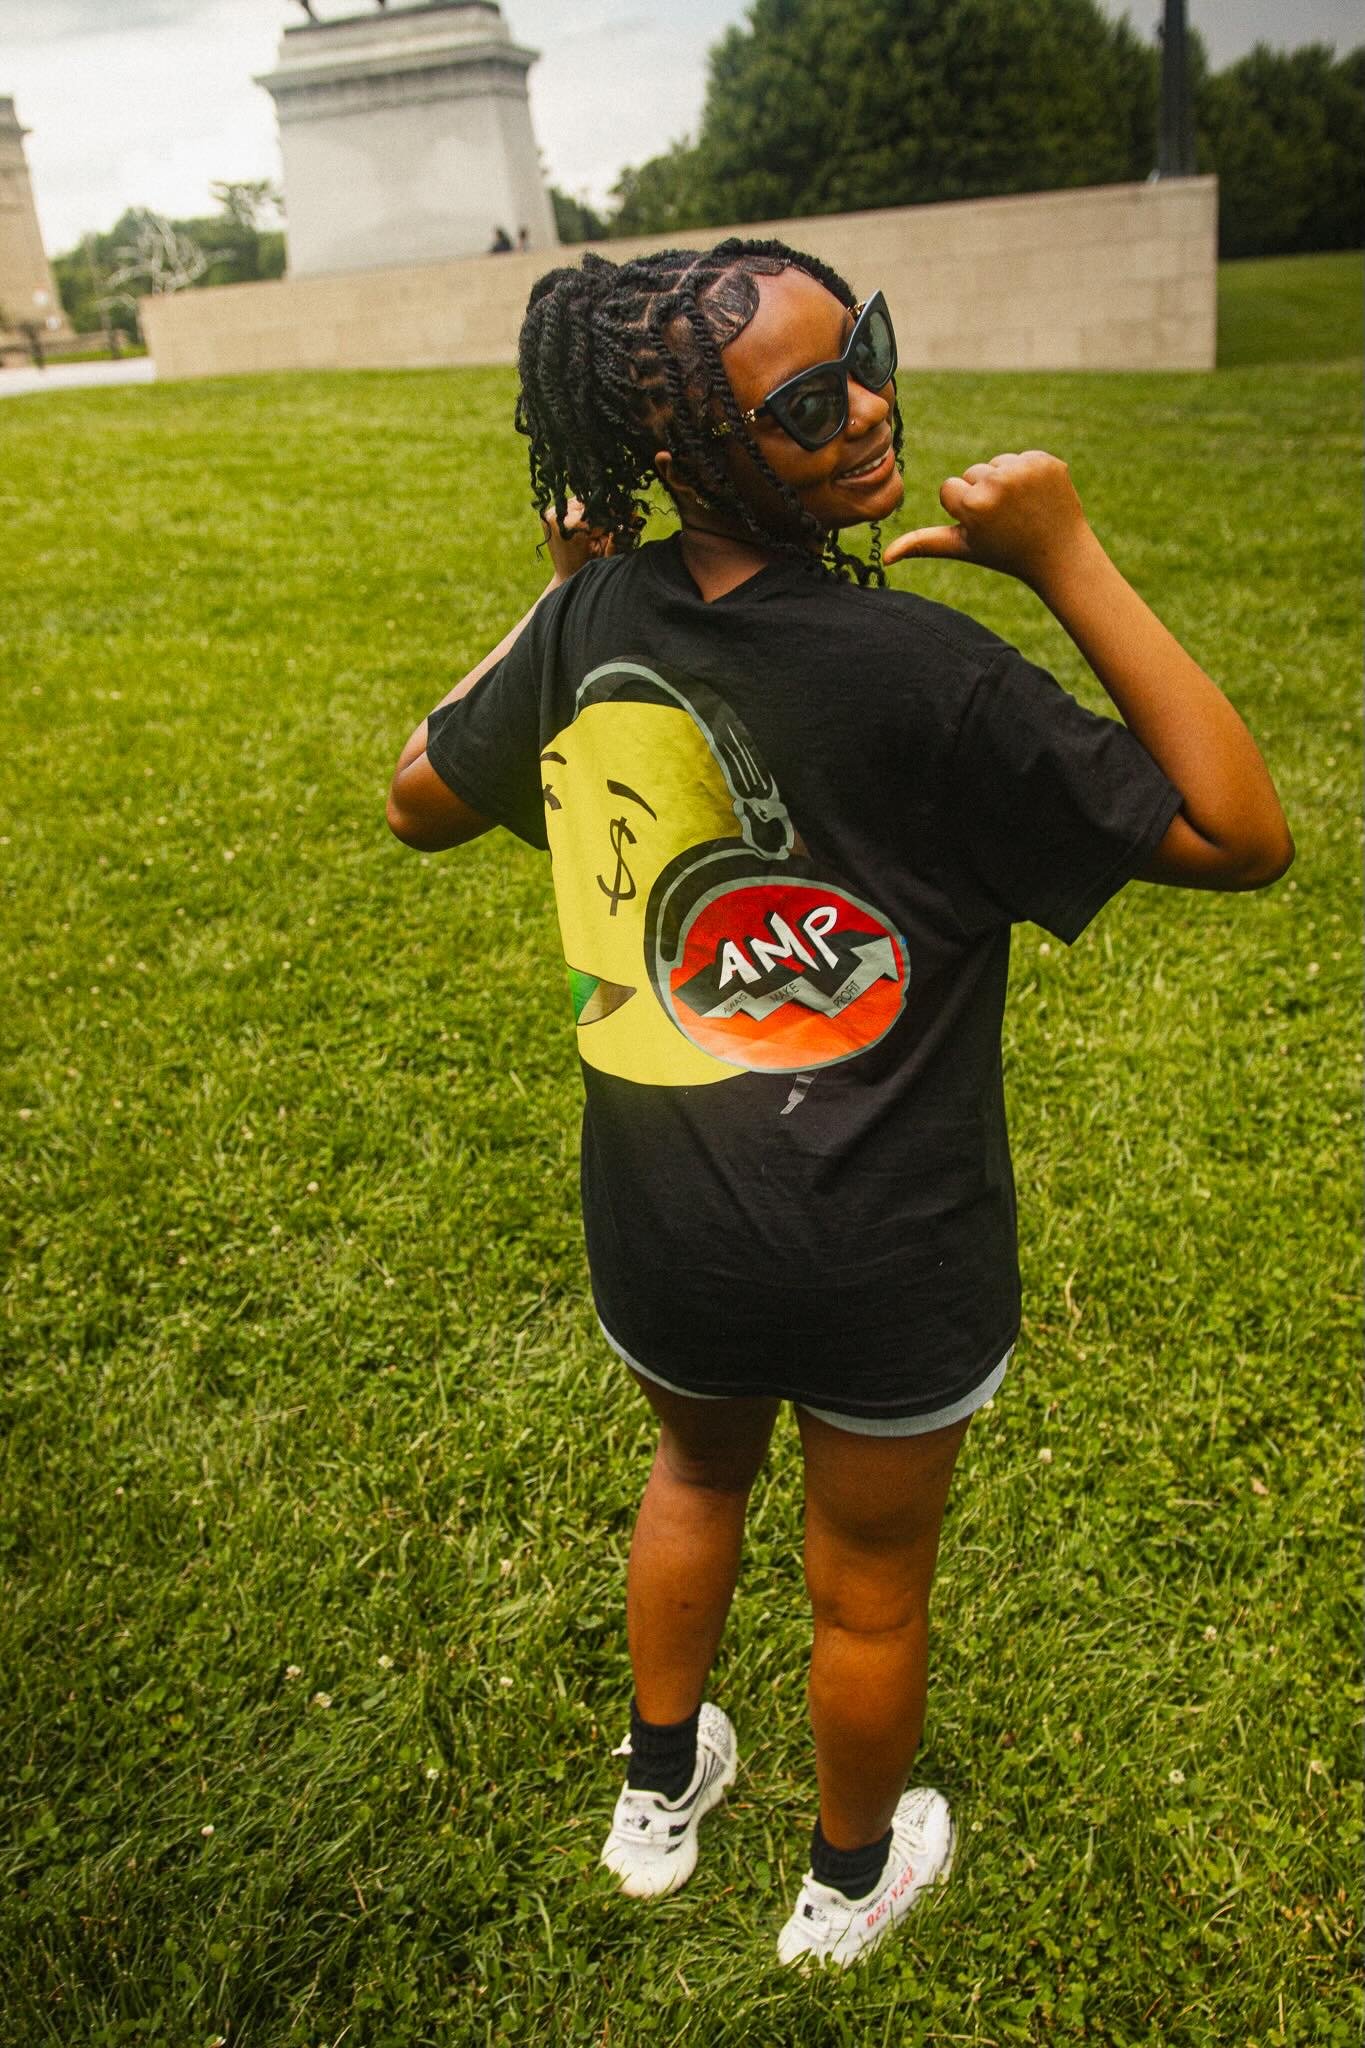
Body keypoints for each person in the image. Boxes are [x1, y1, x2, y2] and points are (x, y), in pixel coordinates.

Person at [386, 240, 1291, 1969]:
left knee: (692, 1469)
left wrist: (559, 595)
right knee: (866, 1585)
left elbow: (420, 789)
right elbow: (1239, 834)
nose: (868, 405)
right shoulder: (926, 674)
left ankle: (659, 1795)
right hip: (889, 1240)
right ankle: (847, 1880)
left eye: (861, 351)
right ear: (686, 453)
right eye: (809, 400)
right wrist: (1066, 557)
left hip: (668, 1228)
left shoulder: (591, 623)